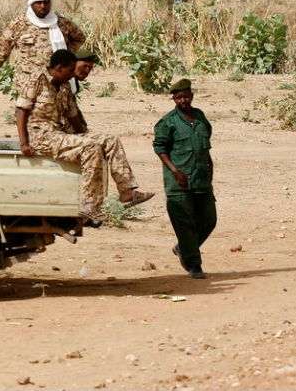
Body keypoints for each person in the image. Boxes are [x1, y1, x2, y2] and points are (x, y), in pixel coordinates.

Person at [16, 49, 154, 223]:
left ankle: (127, 191)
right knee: (91, 147)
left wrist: (87, 136)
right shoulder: (37, 80)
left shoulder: (65, 85)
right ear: (59, 68)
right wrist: (24, 143)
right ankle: (89, 205)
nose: (73, 73)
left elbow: (73, 117)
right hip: (42, 137)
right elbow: (21, 110)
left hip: (59, 134)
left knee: (110, 140)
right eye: (71, 69)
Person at [153, 79, 216, 279]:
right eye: (179, 97)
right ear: (173, 99)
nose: (183, 100)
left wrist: (210, 167)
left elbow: (205, 144)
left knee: (208, 220)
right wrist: (175, 172)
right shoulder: (168, 122)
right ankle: (194, 265)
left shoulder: (200, 117)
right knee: (185, 223)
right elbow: (160, 148)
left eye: (186, 96)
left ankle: (184, 248)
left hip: (202, 179)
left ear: (192, 96)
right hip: (179, 183)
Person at [65, 47, 99, 133]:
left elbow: (74, 109)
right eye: (85, 66)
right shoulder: (63, 82)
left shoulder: (73, 82)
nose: (87, 71)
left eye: (90, 68)